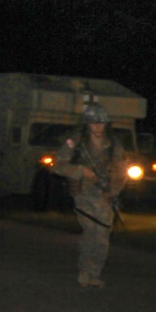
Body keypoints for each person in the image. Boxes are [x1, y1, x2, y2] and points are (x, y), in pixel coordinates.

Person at [52, 103, 127, 288]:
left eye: (101, 123)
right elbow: (57, 165)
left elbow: (122, 169)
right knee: (90, 231)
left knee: (102, 234)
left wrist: (113, 190)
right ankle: (85, 271)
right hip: (83, 192)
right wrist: (80, 170)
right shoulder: (76, 142)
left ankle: (94, 273)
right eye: (94, 123)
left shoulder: (112, 144)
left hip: (104, 195)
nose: (98, 127)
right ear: (87, 124)